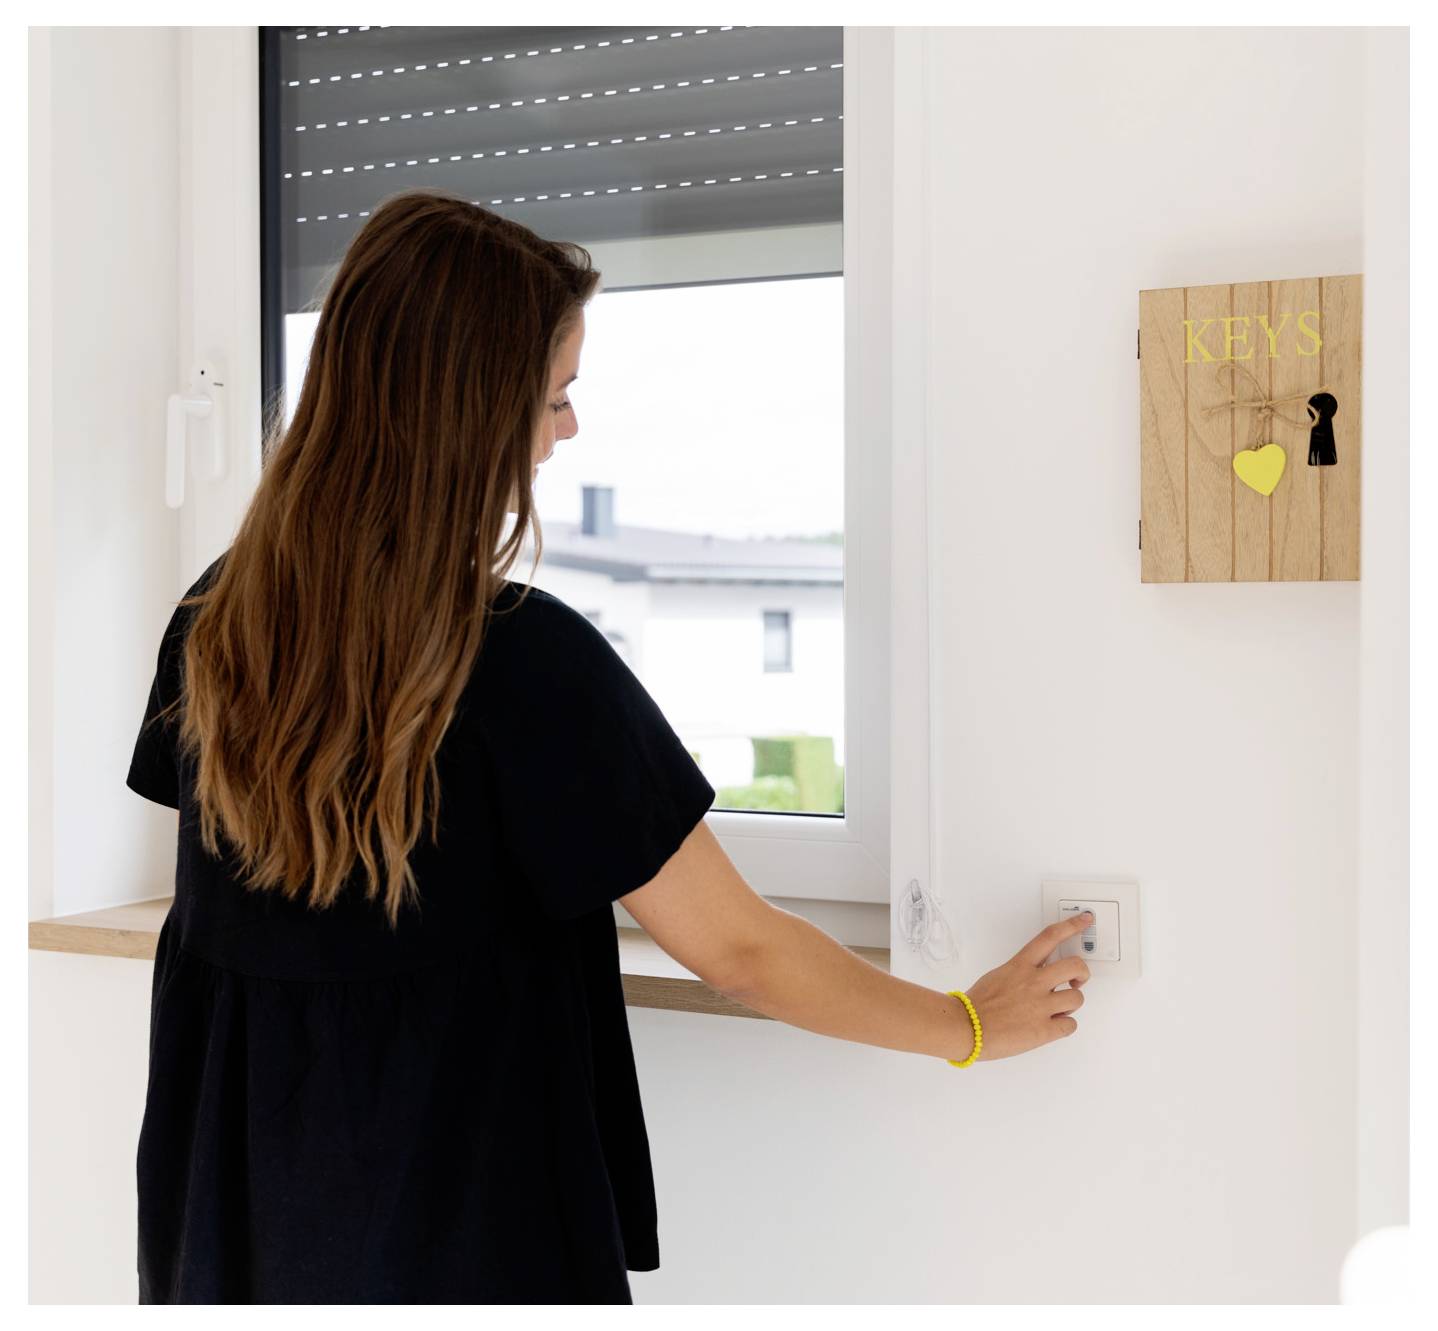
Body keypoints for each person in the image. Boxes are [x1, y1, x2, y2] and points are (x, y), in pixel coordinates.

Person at [126, 187, 1092, 1305]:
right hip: (463, 1239)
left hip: (234, 1231)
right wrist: (966, 1023)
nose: (566, 426)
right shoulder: (527, 665)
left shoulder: (217, 624)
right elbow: (742, 949)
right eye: (556, 394)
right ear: (467, 414)